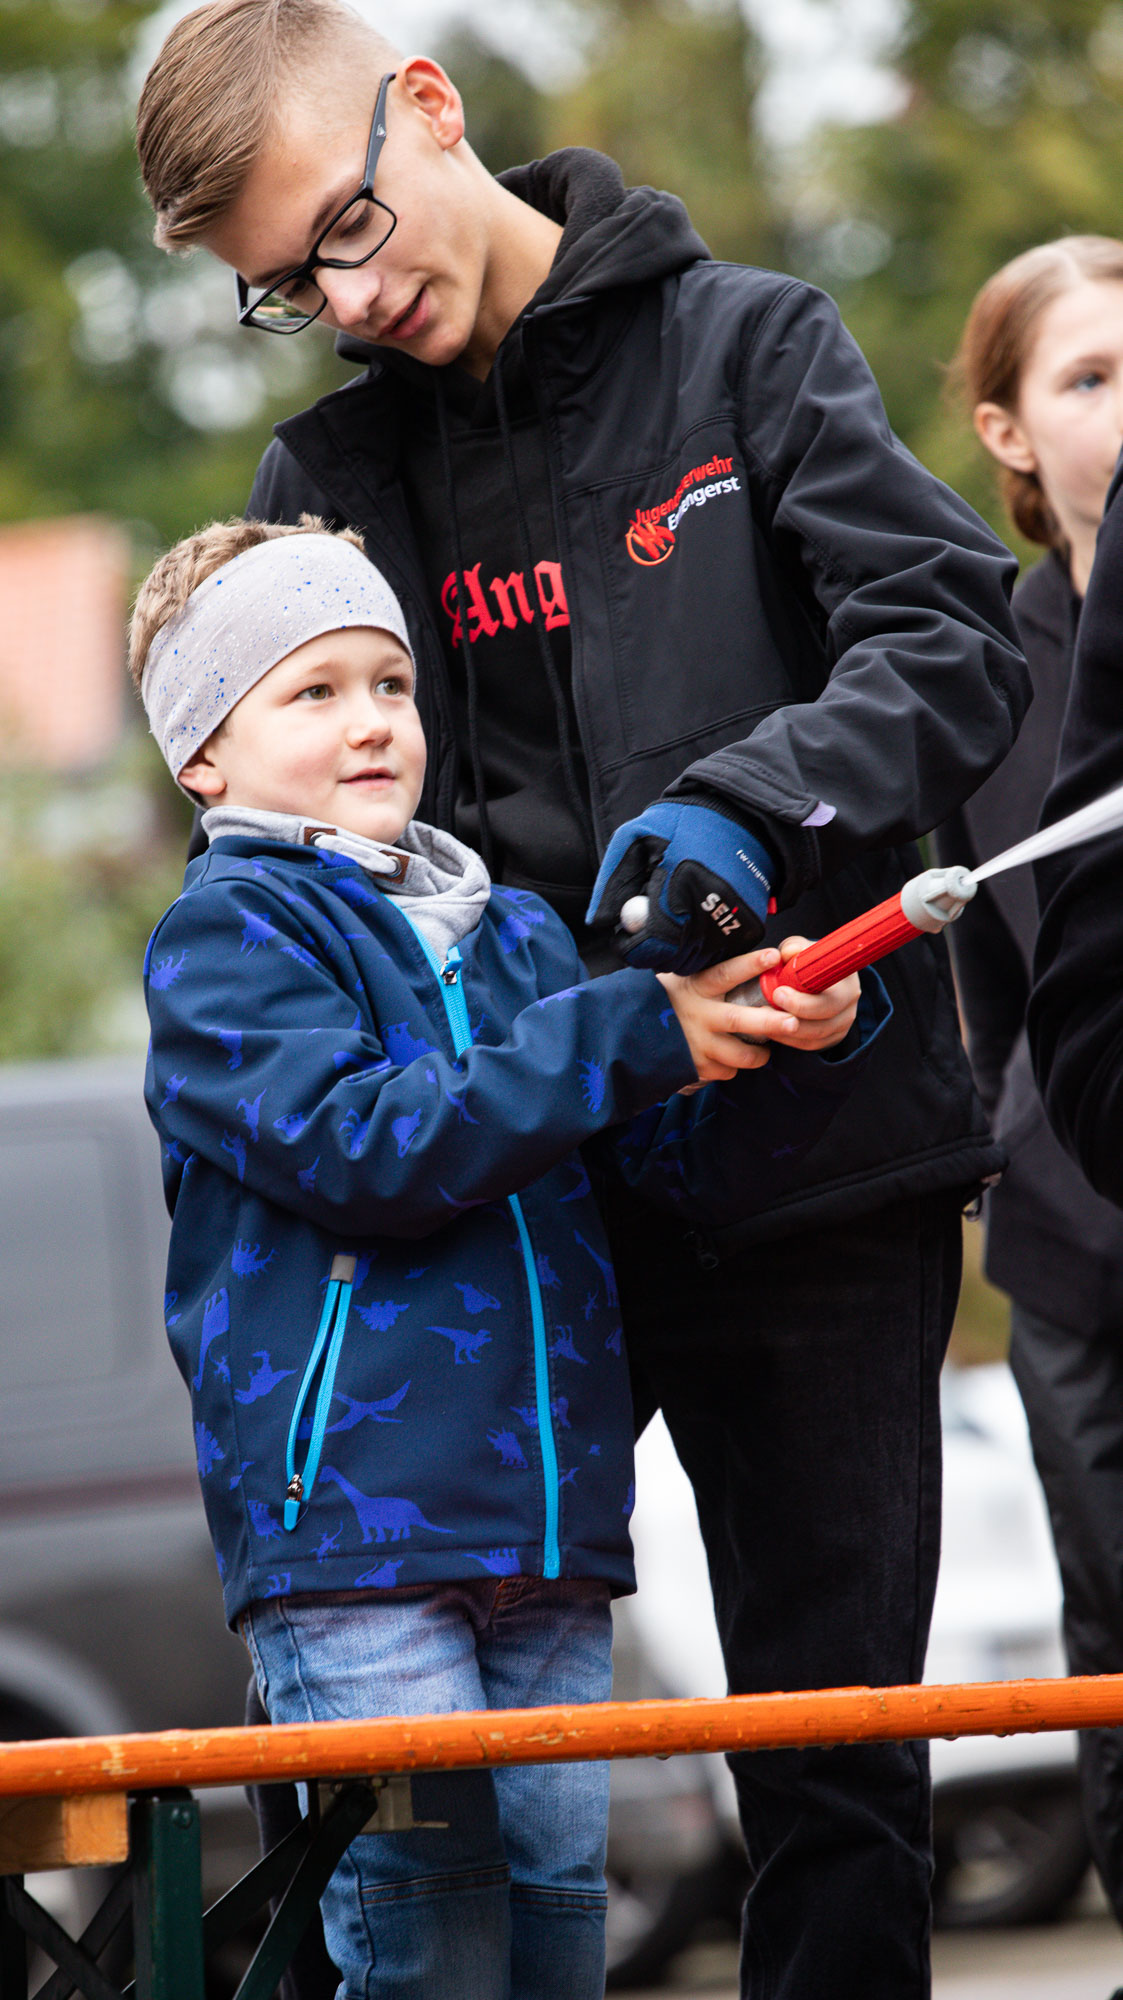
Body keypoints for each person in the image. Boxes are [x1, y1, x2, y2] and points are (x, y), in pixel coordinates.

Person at [135, 9, 1030, 1992]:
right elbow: (302, 836)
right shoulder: (329, 469)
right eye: (294, 285)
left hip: (817, 1164)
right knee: (410, 1792)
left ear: (428, 105)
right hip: (514, 1218)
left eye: (354, 226)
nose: (353, 297)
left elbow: (946, 633)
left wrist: (752, 806)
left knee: (829, 1766)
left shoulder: (751, 344)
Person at [136, 515, 879, 2000]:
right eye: (313, 690)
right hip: (359, 1550)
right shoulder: (227, 937)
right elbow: (369, 1147)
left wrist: (776, 1046)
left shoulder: (525, 935)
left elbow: (640, 1174)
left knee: (556, 1939)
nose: (371, 722)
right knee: (429, 1947)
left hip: (548, 1538)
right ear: (201, 755)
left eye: (392, 684)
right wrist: (626, 1030)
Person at [936, 237, 1123, 1923]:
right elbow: (982, 972)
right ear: (1007, 431)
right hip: (1070, 1245)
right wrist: (1010, 1157)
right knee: (1113, 1623)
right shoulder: (983, 676)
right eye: (1091, 376)